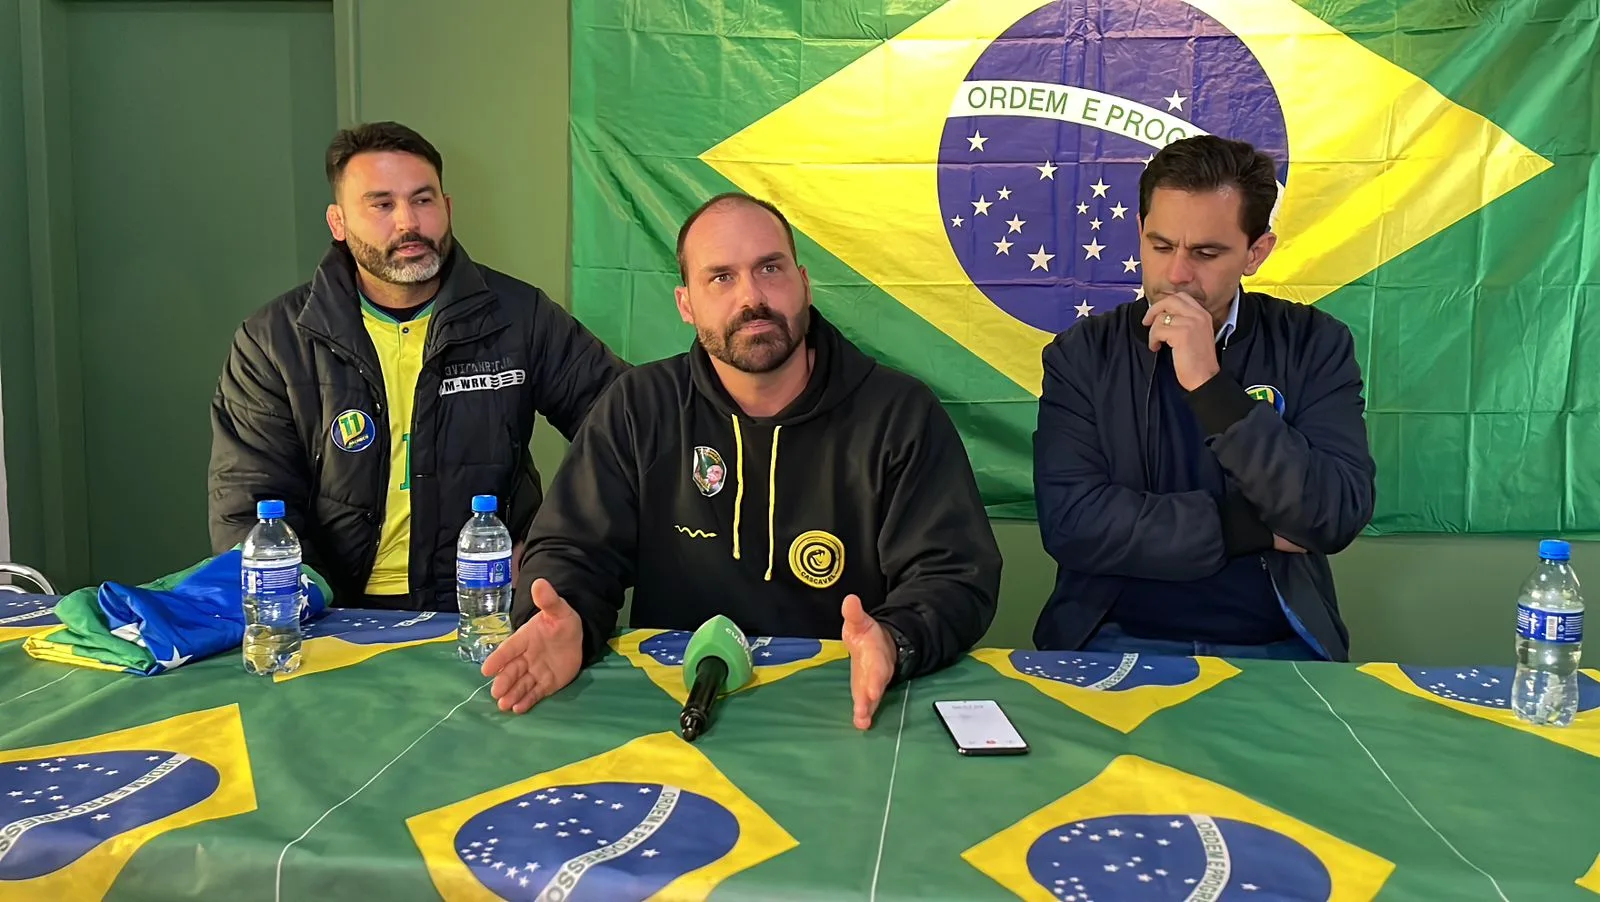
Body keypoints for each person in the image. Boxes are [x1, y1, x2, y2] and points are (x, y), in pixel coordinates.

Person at [480, 192, 1002, 728]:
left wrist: (895, 639)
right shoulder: (639, 406)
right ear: (686, 304)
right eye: (721, 278)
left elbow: (954, 574)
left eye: (770, 269)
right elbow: (573, 549)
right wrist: (568, 619)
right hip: (669, 703)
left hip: (847, 700)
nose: (752, 297)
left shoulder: (898, 412)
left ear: (802, 281)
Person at [207, 121, 627, 610]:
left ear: (446, 209)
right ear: (338, 223)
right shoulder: (274, 341)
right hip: (329, 614)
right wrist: (305, 612)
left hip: (485, 603)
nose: (408, 222)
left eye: (423, 200)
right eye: (381, 204)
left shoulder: (520, 316)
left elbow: (626, 433)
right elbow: (248, 505)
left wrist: (550, 552)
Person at [1031, 135, 1376, 661]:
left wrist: (1211, 388)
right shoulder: (1081, 355)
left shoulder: (1314, 344)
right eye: (1160, 245)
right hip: (1109, 638)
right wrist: (1248, 529)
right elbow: (1073, 523)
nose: (1176, 275)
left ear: (1256, 252)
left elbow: (1332, 514)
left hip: (1275, 643)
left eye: (1206, 253)